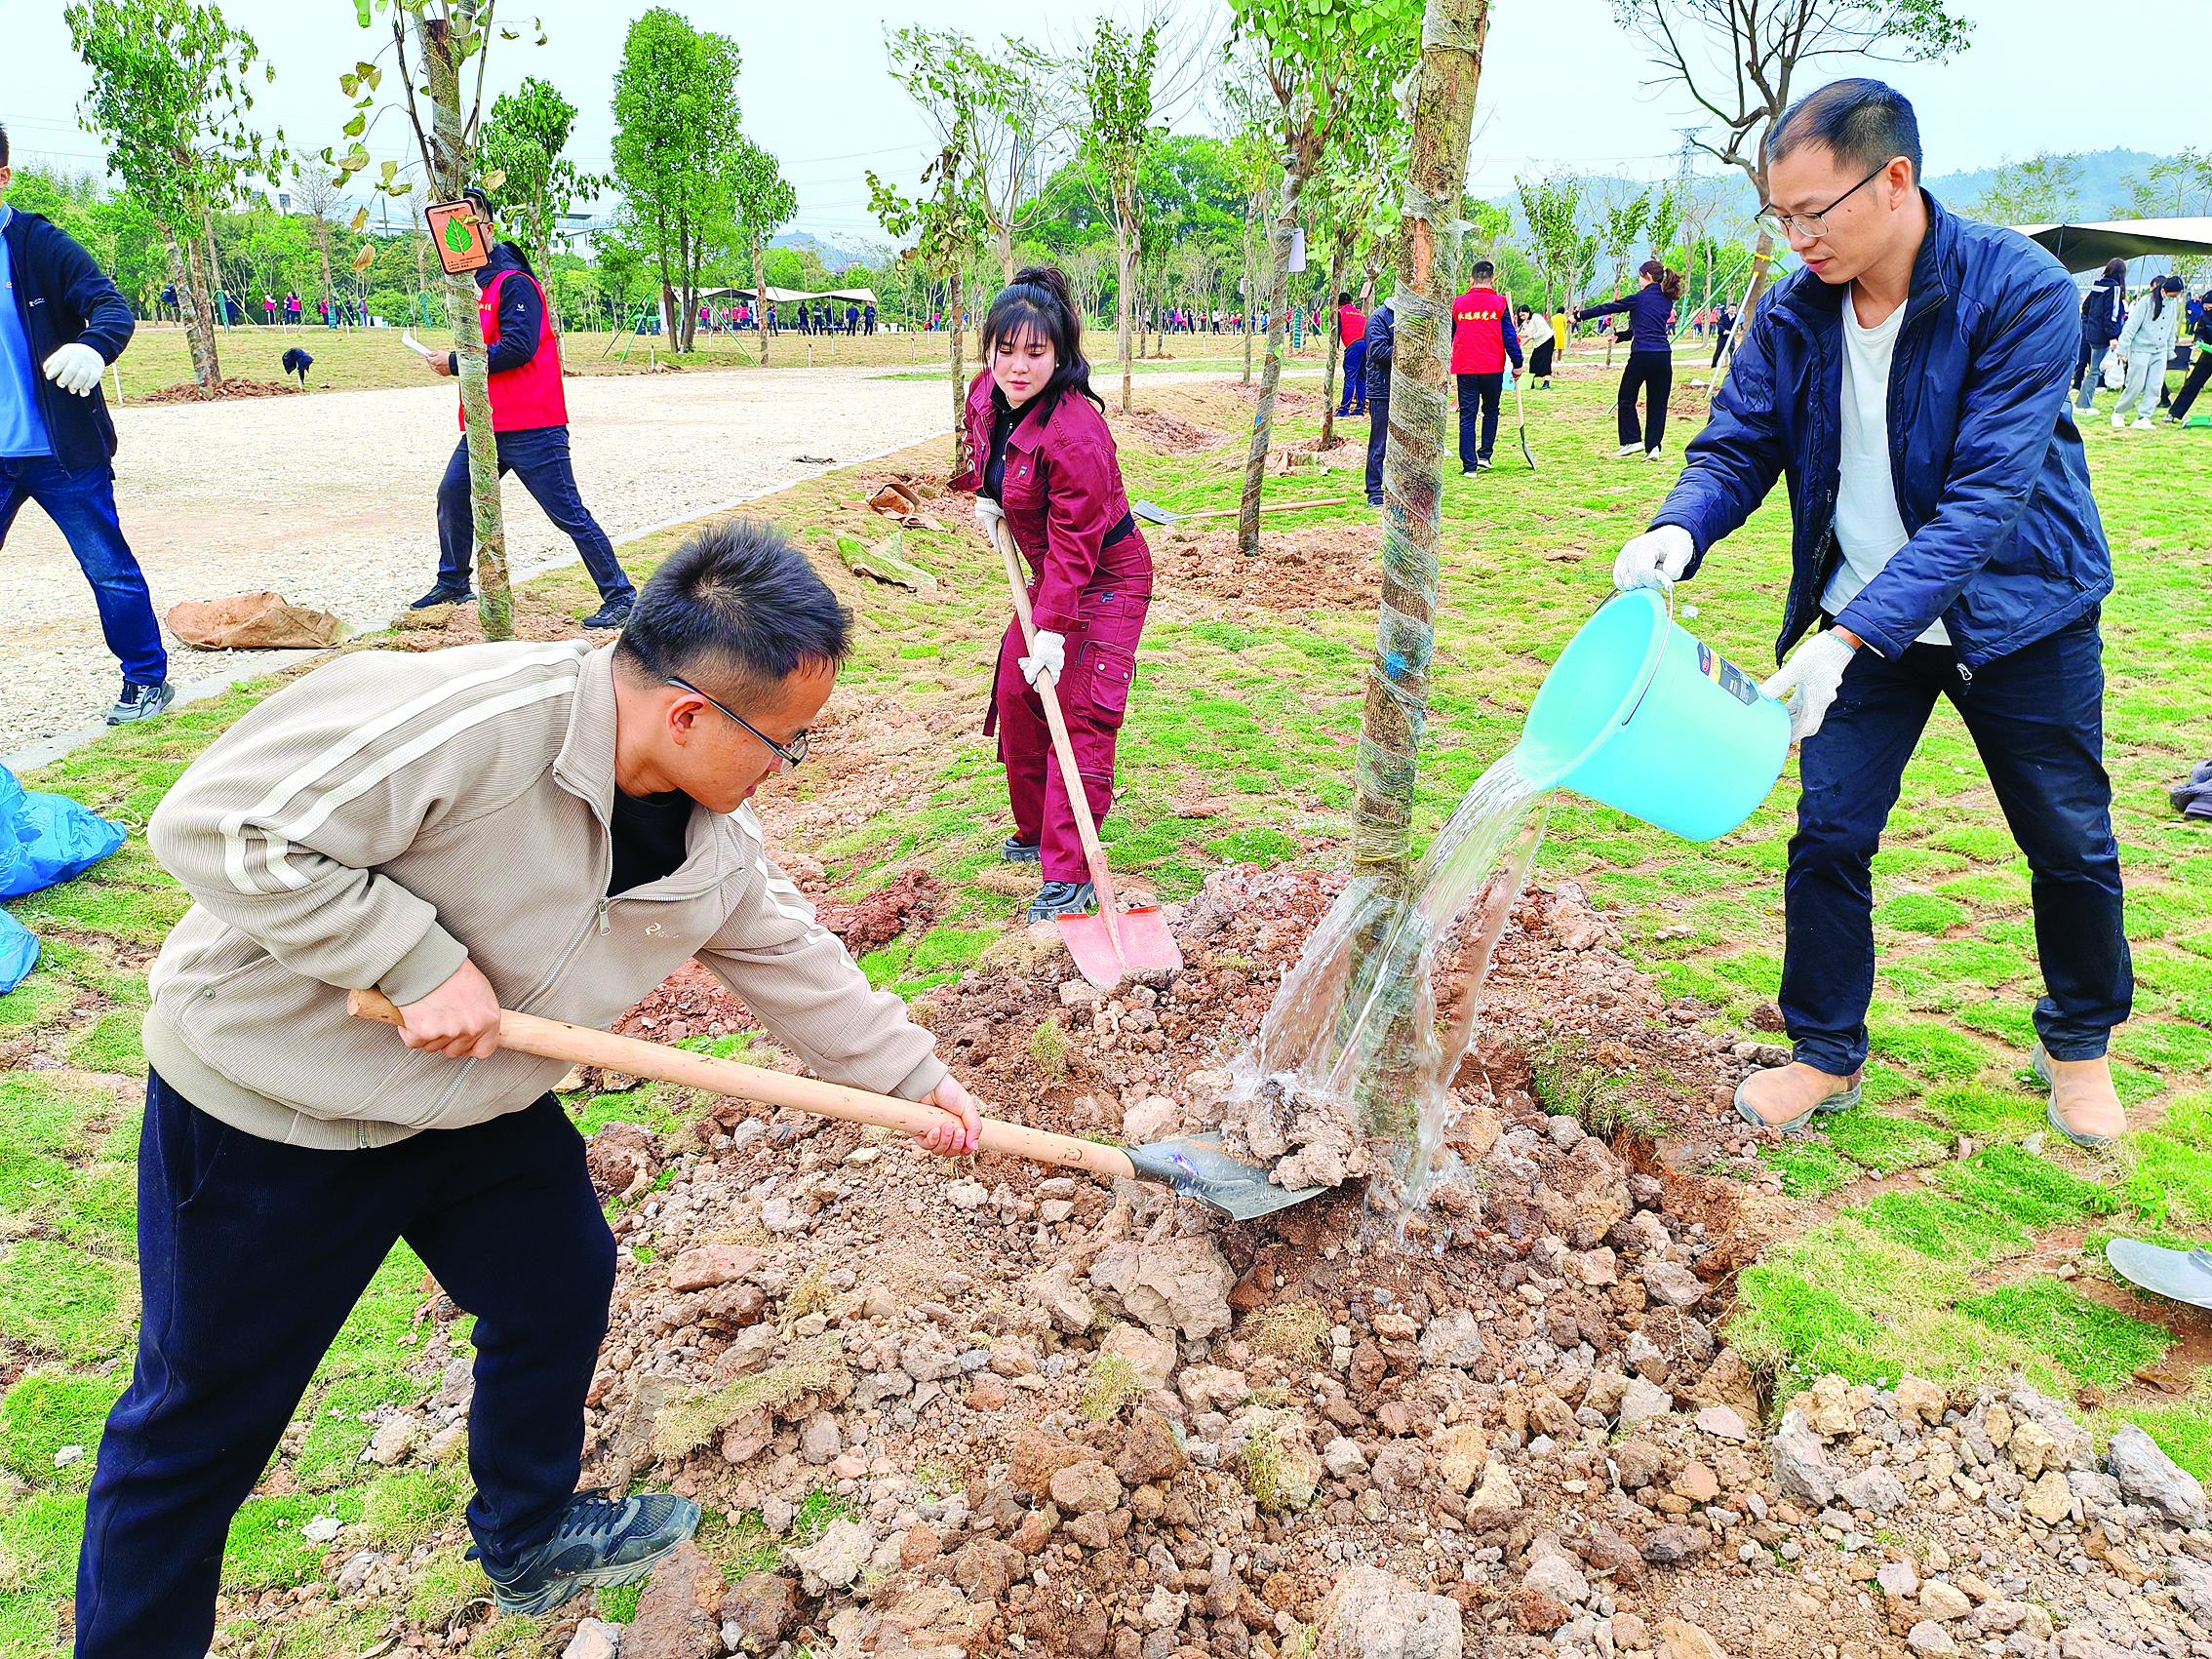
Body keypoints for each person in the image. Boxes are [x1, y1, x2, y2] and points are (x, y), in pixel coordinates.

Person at [73, 519, 983, 1656]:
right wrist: (411, 959)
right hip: (280, 1111)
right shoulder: (473, 725)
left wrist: (917, 1083)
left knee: (558, 1283)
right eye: (787, 742)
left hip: (479, 1097)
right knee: (197, 1427)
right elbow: (217, 826)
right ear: (690, 715)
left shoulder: (710, 834)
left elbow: (789, 953)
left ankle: (528, 1529)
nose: (791, 765)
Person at [1614, 76, 2129, 1147]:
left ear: (1895, 179)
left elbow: (1989, 498)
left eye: (1815, 211)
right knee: (1830, 832)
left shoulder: (2019, 290)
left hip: (2018, 614)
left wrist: (1849, 638)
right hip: (1861, 624)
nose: (1797, 237)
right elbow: (1739, 440)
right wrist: (1682, 527)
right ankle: (1824, 1051)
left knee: (2067, 839)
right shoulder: (1799, 309)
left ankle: (2079, 1045)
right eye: (1780, 216)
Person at [950, 266, 1153, 925]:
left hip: (1105, 578)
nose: (1016, 366)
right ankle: (1037, 830)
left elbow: (1078, 549)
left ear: (1059, 355)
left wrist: (1057, 633)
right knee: (1016, 690)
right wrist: (983, 487)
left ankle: (1070, 875)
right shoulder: (989, 391)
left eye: (1034, 353)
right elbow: (978, 434)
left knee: (1077, 709)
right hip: (1049, 572)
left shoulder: (1077, 437)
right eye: (1005, 350)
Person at [0, 123, 174, 726]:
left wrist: (95, 347)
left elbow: (110, 305)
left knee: (108, 569)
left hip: (61, 453)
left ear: (3, 177)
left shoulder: (37, 243)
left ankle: (148, 678)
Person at [410, 191, 636, 629]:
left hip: (533, 424)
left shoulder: (514, 283)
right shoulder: (477, 290)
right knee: (453, 494)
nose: (458, 232)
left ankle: (621, 596)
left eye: (469, 221)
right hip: (486, 423)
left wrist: (455, 362)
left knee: (567, 512)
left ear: (487, 228)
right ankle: (453, 582)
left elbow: (518, 347)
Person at [1575, 259, 1684, 459]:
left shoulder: (1638, 298)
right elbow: (1648, 326)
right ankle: (1654, 447)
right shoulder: (1666, 300)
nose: (1639, 281)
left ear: (1648, 277)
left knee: (1626, 397)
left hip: (1642, 355)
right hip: (1662, 356)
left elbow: (1609, 307)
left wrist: (1580, 315)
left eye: (1640, 277)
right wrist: (1623, 336)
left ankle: (1632, 440)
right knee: (1657, 403)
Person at [1449, 260, 1523, 473]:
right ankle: (1485, 455)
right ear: (1493, 279)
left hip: (1465, 367)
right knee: (1491, 410)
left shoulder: (1459, 304)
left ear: (1471, 279)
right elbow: (1510, 337)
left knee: (1467, 414)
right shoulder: (1499, 303)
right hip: (1492, 366)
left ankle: (1469, 466)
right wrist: (1517, 364)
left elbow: (1452, 333)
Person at [2112, 275, 2183, 430]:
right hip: (2141, 349)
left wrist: (2170, 350)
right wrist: (2122, 348)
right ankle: (2119, 412)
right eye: (2172, 295)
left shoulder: (2172, 304)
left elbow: (2171, 328)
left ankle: (2144, 417)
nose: (2173, 298)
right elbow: (2132, 326)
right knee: (2135, 384)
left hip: (2160, 350)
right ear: (2163, 290)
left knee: (2155, 386)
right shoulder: (2146, 302)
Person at [2074, 256, 2127, 414]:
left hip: (2091, 333)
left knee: (2093, 368)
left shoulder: (2097, 287)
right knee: (2095, 370)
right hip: (2103, 335)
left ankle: (2083, 402)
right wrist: (2112, 335)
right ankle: (2083, 404)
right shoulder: (2115, 289)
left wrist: (2090, 324)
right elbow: (2111, 314)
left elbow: (2086, 307)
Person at [1362, 296, 1395, 507]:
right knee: (1379, 442)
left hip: (1405, 390)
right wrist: (1409, 353)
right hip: (1382, 389)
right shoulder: (1379, 318)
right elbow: (1377, 351)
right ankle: (1374, 491)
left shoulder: (1410, 315)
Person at [2165, 288, 2212, 424]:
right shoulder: (2204, 318)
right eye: (2205, 307)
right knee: (2192, 384)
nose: (2207, 309)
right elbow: (2199, 333)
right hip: (2208, 355)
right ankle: (2174, 413)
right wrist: (2200, 341)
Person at [1334, 289, 1367, 417]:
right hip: (1366, 344)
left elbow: (1336, 332)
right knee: (1361, 378)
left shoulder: (1340, 313)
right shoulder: (1360, 313)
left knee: (1350, 378)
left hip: (1354, 345)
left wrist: (1335, 350)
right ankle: (1360, 408)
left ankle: (1344, 409)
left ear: (1338, 303)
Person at [1520, 304, 1556, 388]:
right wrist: (1521, 336)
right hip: (1538, 343)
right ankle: (1531, 382)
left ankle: (1546, 382)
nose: (1522, 317)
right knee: (1533, 361)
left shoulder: (1536, 317)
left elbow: (1541, 332)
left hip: (1547, 341)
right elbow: (1530, 334)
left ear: (1528, 312)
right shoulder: (1525, 323)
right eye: (1520, 315)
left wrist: (1528, 339)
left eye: (1523, 315)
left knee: (1546, 361)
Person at [1710, 299, 1738, 368]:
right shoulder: (1723, 317)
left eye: (1734, 308)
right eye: (1731, 308)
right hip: (1723, 336)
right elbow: (1720, 325)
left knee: (1732, 350)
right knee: (1719, 351)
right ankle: (1714, 365)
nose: (1732, 310)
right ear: (1728, 309)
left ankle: (1732, 365)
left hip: (1731, 337)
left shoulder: (1736, 318)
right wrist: (1724, 330)